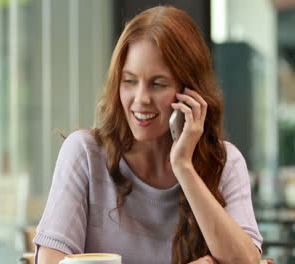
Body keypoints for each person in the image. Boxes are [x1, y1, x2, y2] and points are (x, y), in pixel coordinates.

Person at [33, 6, 262, 264]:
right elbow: (49, 261)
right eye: (129, 81)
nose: (140, 99)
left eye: (158, 84)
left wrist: (184, 167)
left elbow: (246, 262)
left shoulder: (226, 162)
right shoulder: (85, 153)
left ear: (190, 93)